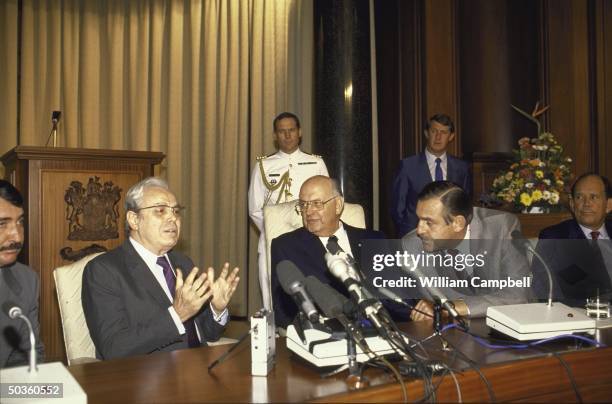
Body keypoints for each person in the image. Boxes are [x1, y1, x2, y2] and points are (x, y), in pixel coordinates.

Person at [82, 177, 240, 360]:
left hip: (200, 370)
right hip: (145, 379)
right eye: (160, 210)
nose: (173, 218)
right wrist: (177, 315)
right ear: (134, 220)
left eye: (176, 211)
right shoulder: (104, 270)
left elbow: (207, 335)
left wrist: (216, 309)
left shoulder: (183, 263)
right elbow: (114, 348)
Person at [270, 175, 388, 328]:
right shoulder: (285, 247)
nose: (308, 211)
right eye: (303, 205)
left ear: (338, 205)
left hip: (383, 329)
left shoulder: (375, 240)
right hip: (328, 335)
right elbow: (284, 313)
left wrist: (419, 306)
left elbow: (396, 295)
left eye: (317, 203)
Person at [403, 181, 530, 321]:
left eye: (429, 222)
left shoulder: (501, 228)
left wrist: (451, 307)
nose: (420, 230)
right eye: (419, 219)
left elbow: (518, 294)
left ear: (458, 223)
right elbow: (433, 311)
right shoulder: (414, 246)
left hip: (510, 324)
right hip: (455, 331)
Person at [248, 112, 328, 309]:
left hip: (310, 239)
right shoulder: (263, 166)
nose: (287, 135)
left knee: (314, 293)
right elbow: (255, 209)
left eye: (291, 130)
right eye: (282, 131)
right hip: (273, 240)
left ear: (299, 132)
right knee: (272, 298)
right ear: (275, 135)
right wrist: (276, 229)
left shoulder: (316, 163)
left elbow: (327, 201)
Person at [533, 173, 612, 306]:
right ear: (572, 204)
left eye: (593, 197)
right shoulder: (554, 238)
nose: (586, 204)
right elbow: (545, 291)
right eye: (579, 197)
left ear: (609, 205)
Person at [391, 114, 472, 237]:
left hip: (449, 238)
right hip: (415, 236)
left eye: (444, 132)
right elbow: (397, 209)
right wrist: (409, 234)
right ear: (427, 133)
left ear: (451, 136)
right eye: (434, 131)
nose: (438, 137)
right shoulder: (407, 166)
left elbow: (464, 205)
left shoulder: (462, 168)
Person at [0, 180, 44, 368]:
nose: (17, 237)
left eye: (20, 222)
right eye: (2, 224)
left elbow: (28, 358)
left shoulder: (26, 280)